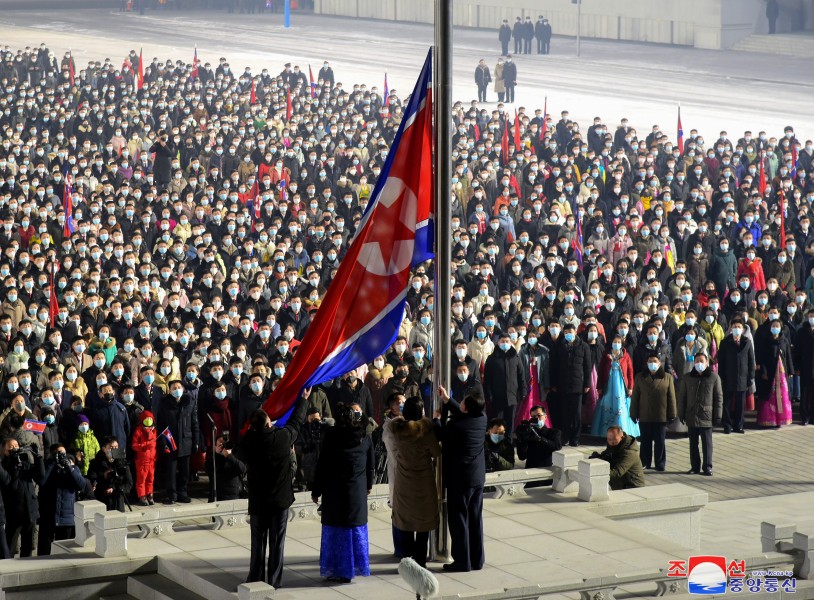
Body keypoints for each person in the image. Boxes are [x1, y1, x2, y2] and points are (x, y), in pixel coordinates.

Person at [239, 390, 308, 589]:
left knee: (257, 542)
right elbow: (296, 422)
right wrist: (303, 400)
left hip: (258, 501)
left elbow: (242, 447)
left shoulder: (248, 442)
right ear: (269, 424)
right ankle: (275, 580)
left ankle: (255, 577)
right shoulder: (282, 438)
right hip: (280, 500)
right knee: (277, 542)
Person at [311, 402, 375, 583]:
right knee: (355, 529)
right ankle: (356, 566)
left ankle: (339, 569)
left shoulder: (331, 436)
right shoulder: (364, 436)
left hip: (335, 492)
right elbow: (370, 465)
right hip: (357, 492)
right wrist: (368, 485)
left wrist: (316, 490)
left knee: (337, 531)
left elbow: (322, 464)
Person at [386, 396, 441, 568]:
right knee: (423, 526)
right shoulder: (426, 432)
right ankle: (421, 563)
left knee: (406, 524)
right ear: (421, 411)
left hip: (403, 482)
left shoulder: (397, 430)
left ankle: (408, 563)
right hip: (424, 483)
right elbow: (436, 452)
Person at [437, 385, 486, 573]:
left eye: (463, 402)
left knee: (459, 521)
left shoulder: (456, 426)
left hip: (460, 480)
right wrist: (448, 401)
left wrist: (436, 420)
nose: (461, 403)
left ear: (466, 407)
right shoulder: (481, 419)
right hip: (477, 478)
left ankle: (462, 561)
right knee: (475, 519)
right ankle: (476, 559)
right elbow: (463, 413)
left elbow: (441, 435)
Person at [677, 353, 723, 476]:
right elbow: (682, 397)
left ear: (707, 362)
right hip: (691, 415)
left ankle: (707, 466)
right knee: (693, 443)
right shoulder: (687, 378)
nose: (699, 363)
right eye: (697, 361)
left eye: (702, 361)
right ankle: (695, 466)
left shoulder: (714, 378)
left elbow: (718, 398)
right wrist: (681, 413)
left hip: (706, 415)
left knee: (707, 443)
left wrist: (718, 415)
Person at [37, 443, 88, 555]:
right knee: (44, 552)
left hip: (66, 518)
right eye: (58, 453)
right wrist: (52, 463)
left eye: (63, 453)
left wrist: (69, 467)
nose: (62, 456)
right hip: (48, 517)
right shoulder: (47, 467)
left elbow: (81, 485)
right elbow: (42, 481)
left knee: (64, 552)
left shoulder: (73, 468)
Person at [630, 355, 676, 472]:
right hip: (645, 414)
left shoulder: (667, 377)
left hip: (661, 415)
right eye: (650, 361)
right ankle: (645, 462)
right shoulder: (640, 377)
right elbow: (635, 397)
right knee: (645, 441)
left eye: (655, 361)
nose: (652, 363)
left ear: (660, 363)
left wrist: (672, 414)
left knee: (660, 441)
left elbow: (671, 397)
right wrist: (633, 413)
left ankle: (660, 463)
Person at [156, 380, 200, 504]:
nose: (177, 390)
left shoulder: (190, 402)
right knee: (171, 470)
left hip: (186, 440)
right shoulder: (164, 403)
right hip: (171, 440)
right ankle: (172, 494)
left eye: (179, 387)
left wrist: (196, 441)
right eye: (174, 388)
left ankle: (183, 492)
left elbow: (194, 423)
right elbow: (161, 425)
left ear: (183, 389)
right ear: (169, 391)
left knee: (185, 470)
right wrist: (164, 442)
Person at [549, 323, 592, 446]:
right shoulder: (559, 346)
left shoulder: (583, 346)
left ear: (575, 332)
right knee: (564, 413)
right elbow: (553, 366)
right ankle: (565, 437)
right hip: (563, 384)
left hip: (577, 385)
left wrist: (587, 384)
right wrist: (553, 383)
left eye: (570, 332)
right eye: (566, 332)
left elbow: (587, 367)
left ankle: (575, 438)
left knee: (576, 413)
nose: (568, 334)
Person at [1, 438, 43, 557]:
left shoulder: (25, 462)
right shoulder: (4, 465)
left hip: (30, 510)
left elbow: (41, 477)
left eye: (16, 446)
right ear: (4, 451)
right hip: (13, 511)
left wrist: (38, 458)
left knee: (28, 546)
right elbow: (11, 485)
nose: (15, 449)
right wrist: (14, 466)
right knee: (10, 545)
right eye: (11, 447)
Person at [593, 336, 639, 437]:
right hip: (608, 385)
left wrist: (630, 387)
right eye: (615, 342)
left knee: (620, 406)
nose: (616, 344)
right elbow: (600, 372)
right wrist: (599, 386)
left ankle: (622, 431)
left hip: (621, 386)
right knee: (608, 405)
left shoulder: (626, 356)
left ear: (622, 344)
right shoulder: (606, 356)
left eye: (619, 342)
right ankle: (606, 431)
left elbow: (630, 372)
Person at [483, 333, 527, 436]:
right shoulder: (492, 358)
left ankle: (508, 442)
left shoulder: (515, 357)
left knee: (510, 422)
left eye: (507, 341)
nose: (505, 343)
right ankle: (496, 442)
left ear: (510, 343)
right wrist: (489, 395)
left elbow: (521, 376)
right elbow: (487, 380)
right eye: (502, 341)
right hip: (497, 397)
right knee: (497, 423)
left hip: (512, 397)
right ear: (498, 343)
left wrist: (523, 391)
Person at [717, 320, 755, 433]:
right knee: (727, 403)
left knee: (740, 404)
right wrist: (721, 376)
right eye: (734, 327)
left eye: (739, 327)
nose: (737, 329)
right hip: (728, 377)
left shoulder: (747, 342)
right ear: (731, 328)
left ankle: (738, 425)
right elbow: (721, 361)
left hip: (742, 377)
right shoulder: (725, 342)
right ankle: (727, 425)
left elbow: (751, 361)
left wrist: (751, 377)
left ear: (742, 329)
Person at [756, 319, 794, 427]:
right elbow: (762, 358)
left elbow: (788, 357)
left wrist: (791, 370)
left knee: (782, 396)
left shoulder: (784, 340)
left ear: (781, 328)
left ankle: (781, 419)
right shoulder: (765, 341)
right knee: (769, 396)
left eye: (777, 326)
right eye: (773, 326)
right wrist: (763, 371)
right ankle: (769, 419)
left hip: (782, 374)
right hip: (770, 373)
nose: (775, 328)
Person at [590, 426, 645, 490]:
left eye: (614, 439)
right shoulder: (614, 445)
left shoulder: (629, 453)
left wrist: (596, 471)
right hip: (620, 485)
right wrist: (597, 459)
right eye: (609, 439)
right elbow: (608, 457)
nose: (611, 442)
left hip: (633, 487)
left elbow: (617, 473)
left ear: (622, 437)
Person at [86, 436, 132, 513]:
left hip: (118, 501)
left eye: (116, 447)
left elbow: (129, 483)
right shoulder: (96, 463)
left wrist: (115, 489)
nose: (114, 450)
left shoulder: (122, 462)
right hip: (102, 501)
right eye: (111, 448)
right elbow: (92, 480)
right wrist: (103, 476)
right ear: (104, 449)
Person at [205, 434, 246, 501]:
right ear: (215, 446)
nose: (223, 447)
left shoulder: (235, 456)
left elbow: (243, 469)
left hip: (232, 496)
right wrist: (216, 454)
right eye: (220, 445)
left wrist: (229, 456)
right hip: (217, 496)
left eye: (225, 444)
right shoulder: (213, 458)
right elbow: (208, 468)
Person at [130, 410, 157, 506]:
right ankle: (142, 496)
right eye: (146, 419)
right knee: (141, 479)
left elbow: (154, 445)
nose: (149, 420)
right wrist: (143, 447)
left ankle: (150, 494)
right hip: (142, 461)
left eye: (150, 419)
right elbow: (134, 445)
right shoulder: (138, 431)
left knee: (150, 479)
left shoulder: (154, 431)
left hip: (151, 460)